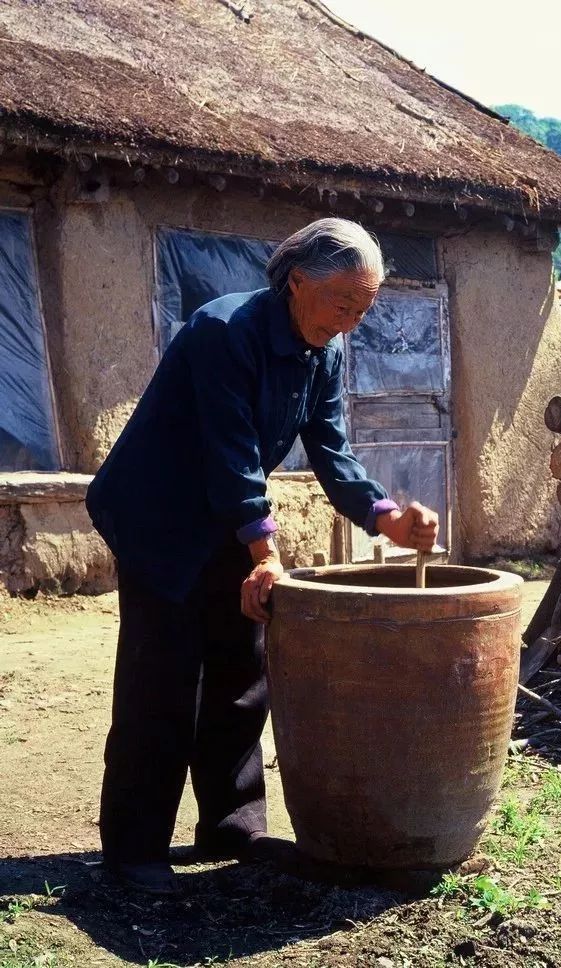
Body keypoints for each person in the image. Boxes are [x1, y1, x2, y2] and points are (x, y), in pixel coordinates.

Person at [86, 218, 439, 895]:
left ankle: (231, 824)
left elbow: (331, 449)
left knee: (241, 663)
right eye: (343, 305)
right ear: (297, 282)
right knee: (162, 680)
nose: (350, 323)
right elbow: (232, 454)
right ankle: (132, 850)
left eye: (364, 310)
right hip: (158, 515)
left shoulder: (324, 348)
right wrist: (265, 553)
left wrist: (388, 517)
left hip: (224, 516)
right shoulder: (225, 333)